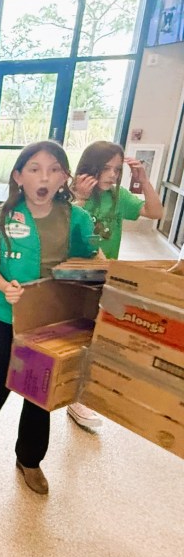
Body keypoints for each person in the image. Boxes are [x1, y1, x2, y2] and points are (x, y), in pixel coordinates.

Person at [0, 140, 98, 495]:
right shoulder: (2, 216)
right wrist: (5, 285)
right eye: (34, 169)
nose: (43, 177)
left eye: (53, 169)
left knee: (39, 391)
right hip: (9, 315)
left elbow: (90, 265)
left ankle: (29, 460)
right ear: (19, 176)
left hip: (53, 320)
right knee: (0, 381)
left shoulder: (75, 218)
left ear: (64, 176)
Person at [66, 140, 165, 429]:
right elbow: (60, 228)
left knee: (97, 331)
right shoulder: (73, 192)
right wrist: (80, 199)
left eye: (117, 169)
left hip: (105, 274)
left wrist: (143, 180)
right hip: (74, 274)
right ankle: (69, 389)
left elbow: (155, 212)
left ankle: (79, 396)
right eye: (106, 168)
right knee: (75, 331)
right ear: (91, 168)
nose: (112, 175)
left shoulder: (119, 197)